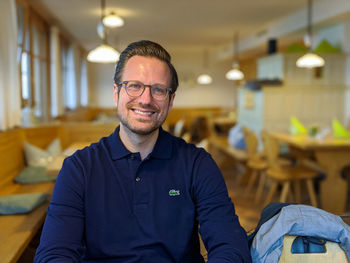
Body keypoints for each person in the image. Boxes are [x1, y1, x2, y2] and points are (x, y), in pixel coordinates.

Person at [34, 40, 251, 263]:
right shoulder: (78, 168)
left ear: (170, 100)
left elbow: (231, 247)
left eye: (158, 90)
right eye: (134, 86)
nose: (146, 100)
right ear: (116, 92)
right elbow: (54, 254)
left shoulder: (198, 164)